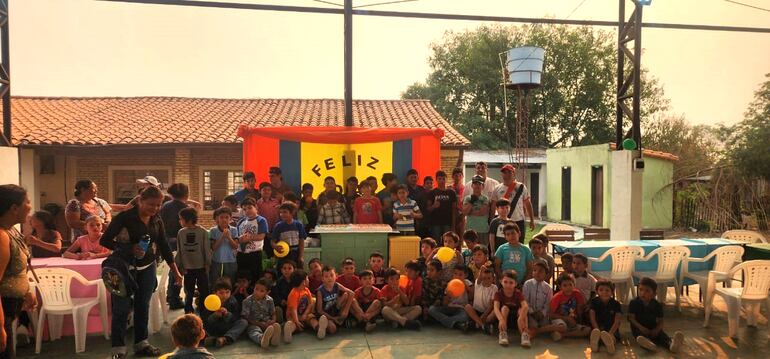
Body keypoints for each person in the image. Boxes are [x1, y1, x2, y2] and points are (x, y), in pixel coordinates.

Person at [100, 186, 183, 358]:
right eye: (151, 204)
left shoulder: (156, 220)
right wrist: (129, 248)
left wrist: (176, 272)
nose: (155, 208)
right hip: (123, 268)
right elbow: (105, 240)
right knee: (121, 309)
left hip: (147, 268)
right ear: (140, 201)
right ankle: (118, 349)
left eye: (159, 205)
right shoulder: (124, 218)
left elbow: (164, 246)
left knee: (142, 306)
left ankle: (141, 343)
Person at [0, 185, 37, 359]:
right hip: (3, 310)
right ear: (14, 208)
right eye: (27, 202)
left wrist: (27, 290)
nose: (30, 207)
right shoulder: (1, 236)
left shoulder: (11, 229)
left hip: (10, 310)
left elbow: (17, 268)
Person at [628, 277, 685, 353]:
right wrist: (641, 327)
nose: (642, 293)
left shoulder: (657, 305)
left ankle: (671, 345)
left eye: (647, 291)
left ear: (654, 294)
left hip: (652, 326)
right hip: (639, 327)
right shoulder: (634, 303)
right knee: (640, 336)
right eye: (640, 289)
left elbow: (661, 321)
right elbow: (631, 318)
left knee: (662, 335)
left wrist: (657, 329)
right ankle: (649, 345)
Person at [160, 183, 193, 309]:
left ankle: (171, 296)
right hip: (180, 242)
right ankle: (174, 298)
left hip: (166, 241)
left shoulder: (165, 206)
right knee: (179, 271)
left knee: (172, 270)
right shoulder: (186, 208)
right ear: (186, 194)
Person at [177, 207, 212, 314]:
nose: (180, 221)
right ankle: (188, 309)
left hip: (201, 266)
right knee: (189, 290)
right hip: (188, 267)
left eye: (181, 219)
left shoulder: (203, 232)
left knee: (204, 289)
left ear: (189, 219)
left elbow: (206, 249)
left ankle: (203, 308)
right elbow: (179, 251)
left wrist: (207, 264)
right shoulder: (181, 233)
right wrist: (180, 265)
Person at [491, 164, 536, 240]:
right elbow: (493, 206)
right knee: (502, 243)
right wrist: (491, 220)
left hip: (518, 220)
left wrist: (532, 220)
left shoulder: (521, 187)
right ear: (502, 174)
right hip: (502, 221)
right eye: (504, 172)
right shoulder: (497, 188)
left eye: (509, 172)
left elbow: (527, 204)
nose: (507, 175)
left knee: (519, 243)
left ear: (514, 173)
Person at [522, 261, 561, 343]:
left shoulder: (548, 288)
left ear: (546, 274)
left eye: (540, 271)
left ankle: (550, 332)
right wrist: (532, 312)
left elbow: (548, 304)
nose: (537, 273)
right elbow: (525, 301)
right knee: (533, 324)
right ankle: (530, 333)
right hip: (531, 313)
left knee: (547, 324)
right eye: (535, 270)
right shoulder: (527, 284)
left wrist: (542, 313)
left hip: (542, 315)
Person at [204, 278, 248, 348]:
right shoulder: (210, 300)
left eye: (227, 292)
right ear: (215, 292)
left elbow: (236, 317)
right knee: (199, 325)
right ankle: (212, 339)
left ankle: (225, 339)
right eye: (221, 293)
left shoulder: (232, 301)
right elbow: (205, 319)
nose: (224, 295)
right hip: (214, 328)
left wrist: (227, 314)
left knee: (243, 322)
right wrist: (214, 316)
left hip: (227, 327)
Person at [283, 270, 325, 342]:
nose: (309, 280)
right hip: (294, 316)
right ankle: (289, 331)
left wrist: (305, 314)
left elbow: (310, 303)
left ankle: (319, 328)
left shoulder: (306, 290)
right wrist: (297, 322)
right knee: (293, 324)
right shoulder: (293, 293)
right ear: (303, 282)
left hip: (305, 315)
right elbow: (293, 310)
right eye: (307, 279)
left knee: (312, 318)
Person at [429, 263, 472, 331]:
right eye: (455, 274)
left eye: (460, 275)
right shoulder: (449, 284)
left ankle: (448, 322)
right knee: (431, 309)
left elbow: (471, 297)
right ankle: (456, 324)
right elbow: (445, 303)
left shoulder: (467, 283)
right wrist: (448, 295)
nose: (457, 276)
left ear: (465, 275)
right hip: (450, 307)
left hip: (461, 309)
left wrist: (465, 285)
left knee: (465, 317)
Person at [493, 270, 530, 347]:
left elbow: (525, 306)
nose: (508, 285)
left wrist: (521, 318)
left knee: (522, 310)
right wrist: (501, 319)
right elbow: (496, 308)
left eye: (511, 282)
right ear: (501, 281)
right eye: (505, 282)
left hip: (517, 320)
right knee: (504, 308)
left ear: (515, 284)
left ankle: (524, 334)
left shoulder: (518, 293)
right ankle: (503, 333)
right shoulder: (498, 293)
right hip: (505, 320)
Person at [316, 266, 356, 337]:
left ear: (336, 276)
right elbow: (319, 311)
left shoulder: (336, 285)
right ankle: (322, 326)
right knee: (332, 329)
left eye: (331, 275)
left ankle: (341, 322)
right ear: (322, 279)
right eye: (326, 276)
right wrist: (332, 318)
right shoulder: (320, 291)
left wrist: (345, 311)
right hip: (326, 315)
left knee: (346, 294)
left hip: (335, 310)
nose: (329, 278)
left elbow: (352, 293)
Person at [549, 273, 591, 341]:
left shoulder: (577, 294)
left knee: (587, 330)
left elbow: (580, 309)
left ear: (574, 285)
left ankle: (563, 335)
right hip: (560, 320)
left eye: (570, 285)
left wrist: (579, 321)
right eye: (565, 285)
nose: (568, 288)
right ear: (560, 287)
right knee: (562, 326)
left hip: (573, 321)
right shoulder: (557, 297)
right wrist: (565, 318)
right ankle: (544, 331)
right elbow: (550, 315)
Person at [235, 197, 268, 283]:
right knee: (242, 277)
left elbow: (261, 236)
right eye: (244, 209)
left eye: (250, 208)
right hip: (241, 254)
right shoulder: (241, 221)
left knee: (255, 277)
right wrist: (240, 239)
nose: (247, 211)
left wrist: (249, 237)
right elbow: (237, 237)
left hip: (254, 254)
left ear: (256, 207)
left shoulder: (261, 220)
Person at [242, 278, 281, 349]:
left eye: (261, 291)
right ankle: (261, 339)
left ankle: (274, 339)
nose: (257, 292)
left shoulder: (270, 300)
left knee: (273, 326)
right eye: (256, 289)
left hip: (267, 322)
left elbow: (273, 313)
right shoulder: (247, 301)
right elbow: (246, 317)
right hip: (254, 323)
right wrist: (260, 324)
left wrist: (273, 320)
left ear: (267, 292)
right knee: (253, 331)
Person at [589, 279, 622, 354]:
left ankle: (610, 345)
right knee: (595, 334)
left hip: (611, 328)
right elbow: (592, 318)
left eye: (607, 290)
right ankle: (595, 344)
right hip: (598, 327)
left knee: (612, 337)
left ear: (612, 292)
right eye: (601, 290)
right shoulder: (594, 302)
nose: (604, 292)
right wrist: (597, 329)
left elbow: (617, 321)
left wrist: (610, 333)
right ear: (597, 291)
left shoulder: (616, 304)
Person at [209, 207, 238, 287]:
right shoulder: (213, 230)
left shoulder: (234, 230)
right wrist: (222, 237)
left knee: (230, 282)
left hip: (230, 260)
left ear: (230, 218)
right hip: (216, 260)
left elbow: (235, 246)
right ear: (217, 218)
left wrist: (228, 237)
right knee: (215, 282)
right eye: (221, 217)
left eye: (227, 217)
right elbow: (213, 248)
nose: (224, 219)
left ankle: (229, 298)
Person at [271, 203, 307, 268]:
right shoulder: (278, 226)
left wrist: (301, 256)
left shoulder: (299, 225)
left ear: (292, 213)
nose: (282, 214)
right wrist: (275, 246)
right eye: (280, 212)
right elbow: (272, 241)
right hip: (283, 253)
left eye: (285, 212)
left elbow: (301, 241)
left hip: (295, 253)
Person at [425, 170, 457, 241]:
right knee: (436, 243)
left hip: (448, 223)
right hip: (435, 223)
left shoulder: (451, 192)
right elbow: (428, 209)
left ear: (446, 179)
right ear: (436, 179)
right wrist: (433, 206)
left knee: (448, 242)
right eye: (439, 179)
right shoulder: (432, 193)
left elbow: (454, 210)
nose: (442, 181)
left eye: (443, 179)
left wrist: (453, 225)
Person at [465, 266, 497, 334]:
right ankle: (483, 325)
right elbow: (480, 274)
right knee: (467, 306)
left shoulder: (494, 288)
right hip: (476, 311)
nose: (486, 280)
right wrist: (482, 269)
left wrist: (484, 315)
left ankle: (477, 323)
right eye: (484, 278)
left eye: (489, 278)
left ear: (493, 279)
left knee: (493, 313)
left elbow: (491, 305)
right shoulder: (478, 284)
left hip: (486, 312)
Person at [463, 175, 491, 246]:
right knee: (471, 252)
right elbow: (465, 212)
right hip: (470, 229)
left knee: (483, 251)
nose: (477, 186)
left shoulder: (486, 199)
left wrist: (470, 212)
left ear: (483, 186)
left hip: (483, 229)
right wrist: (472, 202)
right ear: (472, 185)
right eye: (475, 184)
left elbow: (482, 212)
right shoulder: (467, 198)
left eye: (479, 184)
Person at [450, 167, 466, 236]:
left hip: (462, 216)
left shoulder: (465, 189)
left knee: (460, 238)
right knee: (451, 236)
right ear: (452, 177)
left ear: (462, 176)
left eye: (460, 175)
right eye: (456, 175)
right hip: (451, 215)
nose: (458, 177)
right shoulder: (449, 189)